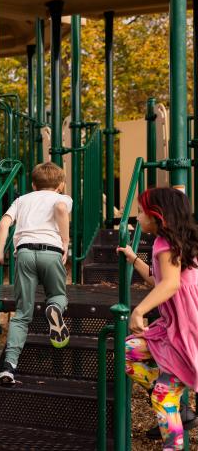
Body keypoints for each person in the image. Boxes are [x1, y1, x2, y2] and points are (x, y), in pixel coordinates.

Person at [117, 187, 198, 450]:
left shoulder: (166, 243)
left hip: (186, 328)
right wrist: (134, 260)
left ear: (158, 215)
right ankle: (173, 402)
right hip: (176, 326)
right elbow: (159, 280)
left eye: (141, 212)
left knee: (163, 397)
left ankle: (173, 430)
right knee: (130, 350)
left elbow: (171, 284)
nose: (137, 217)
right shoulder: (171, 242)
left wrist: (138, 310)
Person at [0, 162, 72, 385]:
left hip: (25, 253)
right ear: (61, 185)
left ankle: (8, 367)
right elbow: (61, 211)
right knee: (56, 294)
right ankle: (54, 308)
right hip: (51, 252)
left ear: (34, 184)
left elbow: (3, 224)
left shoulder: (21, 200)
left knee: (21, 314)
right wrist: (65, 242)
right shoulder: (62, 199)